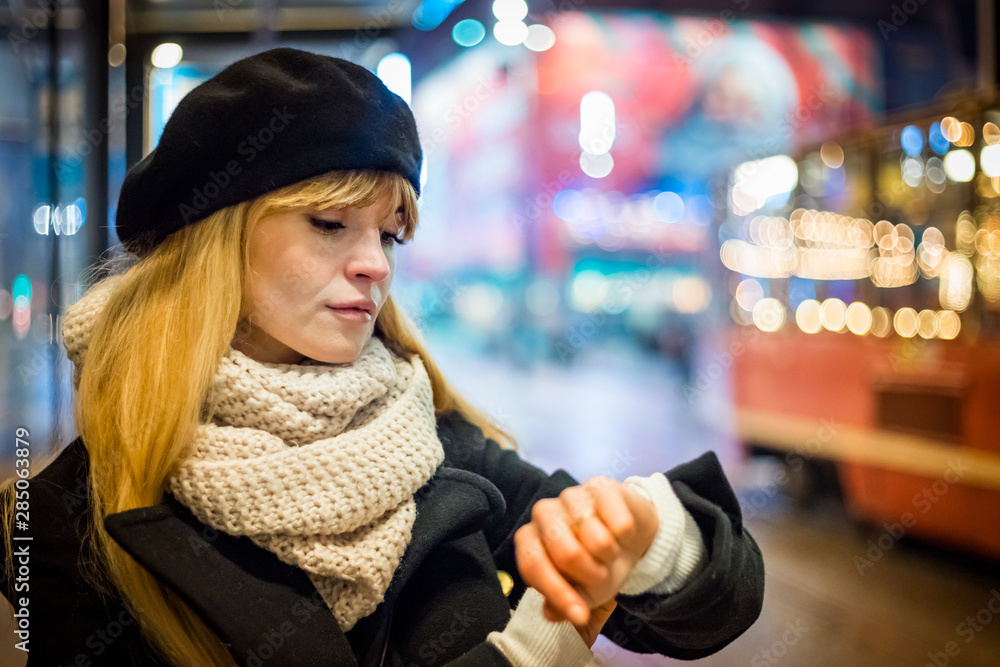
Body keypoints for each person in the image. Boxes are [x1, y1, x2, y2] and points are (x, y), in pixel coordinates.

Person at [0, 47, 764, 666]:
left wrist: (652, 540)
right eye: (331, 222)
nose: (375, 263)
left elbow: (719, 601)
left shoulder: (428, 435)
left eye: (390, 232)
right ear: (213, 242)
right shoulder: (67, 516)